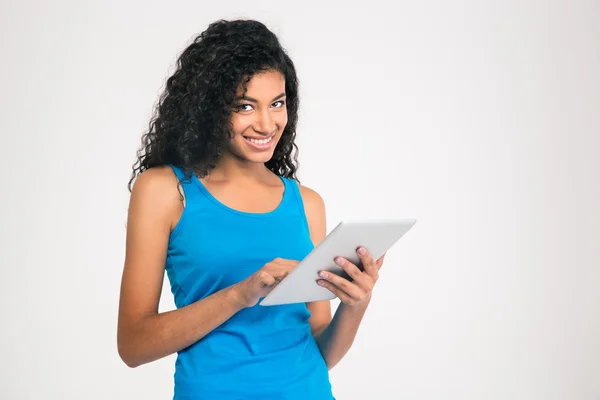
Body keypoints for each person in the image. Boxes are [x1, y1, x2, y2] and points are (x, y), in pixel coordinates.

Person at [117, 18, 386, 399]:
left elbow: (321, 350)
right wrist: (240, 294)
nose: (266, 123)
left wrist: (356, 304)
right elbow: (133, 345)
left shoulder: (306, 203)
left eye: (277, 103)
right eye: (245, 106)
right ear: (209, 109)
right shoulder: (165, 191)